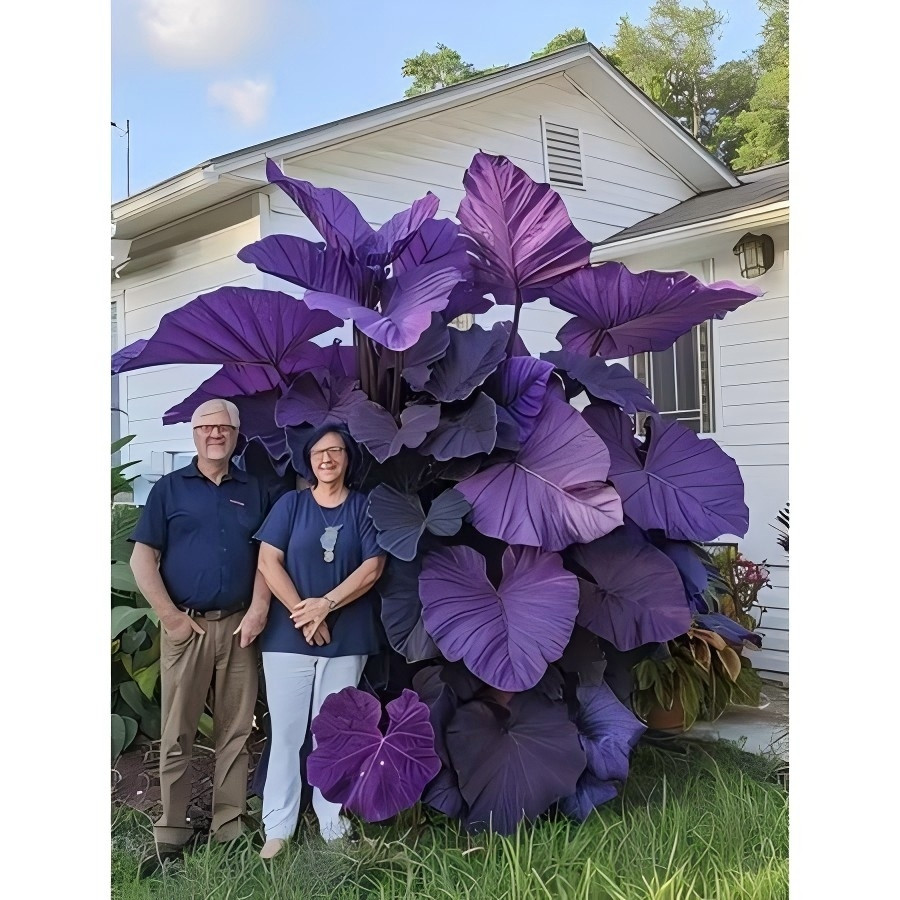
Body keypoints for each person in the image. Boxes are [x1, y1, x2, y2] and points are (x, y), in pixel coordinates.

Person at [129, 398, 282, 863]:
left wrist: (258, 609)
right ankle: (171, 831)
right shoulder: (169, 490)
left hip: (239, 627)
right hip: (187, 629)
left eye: (224, 427)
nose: (215, 434)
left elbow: (266, 556)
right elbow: (142, 557)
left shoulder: (255, 490)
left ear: (236, 435)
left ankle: (228, 826)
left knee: (236, 730)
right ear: (193, 434)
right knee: (177, 732)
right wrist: (171, 618)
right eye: (206, 427)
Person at [254, 423, 386, 859]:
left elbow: (372, 568)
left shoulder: (364, 508)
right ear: (308, 461)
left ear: (348, 458)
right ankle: (278, 825)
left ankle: (332, 820)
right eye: (318, 453)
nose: (326, 459)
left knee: (336, 733)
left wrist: (324, 606)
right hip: (287, 638)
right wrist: (304, 615)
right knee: (288, 732)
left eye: (335, 452)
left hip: (345, 636)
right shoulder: (291, 505)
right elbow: (268, 561)